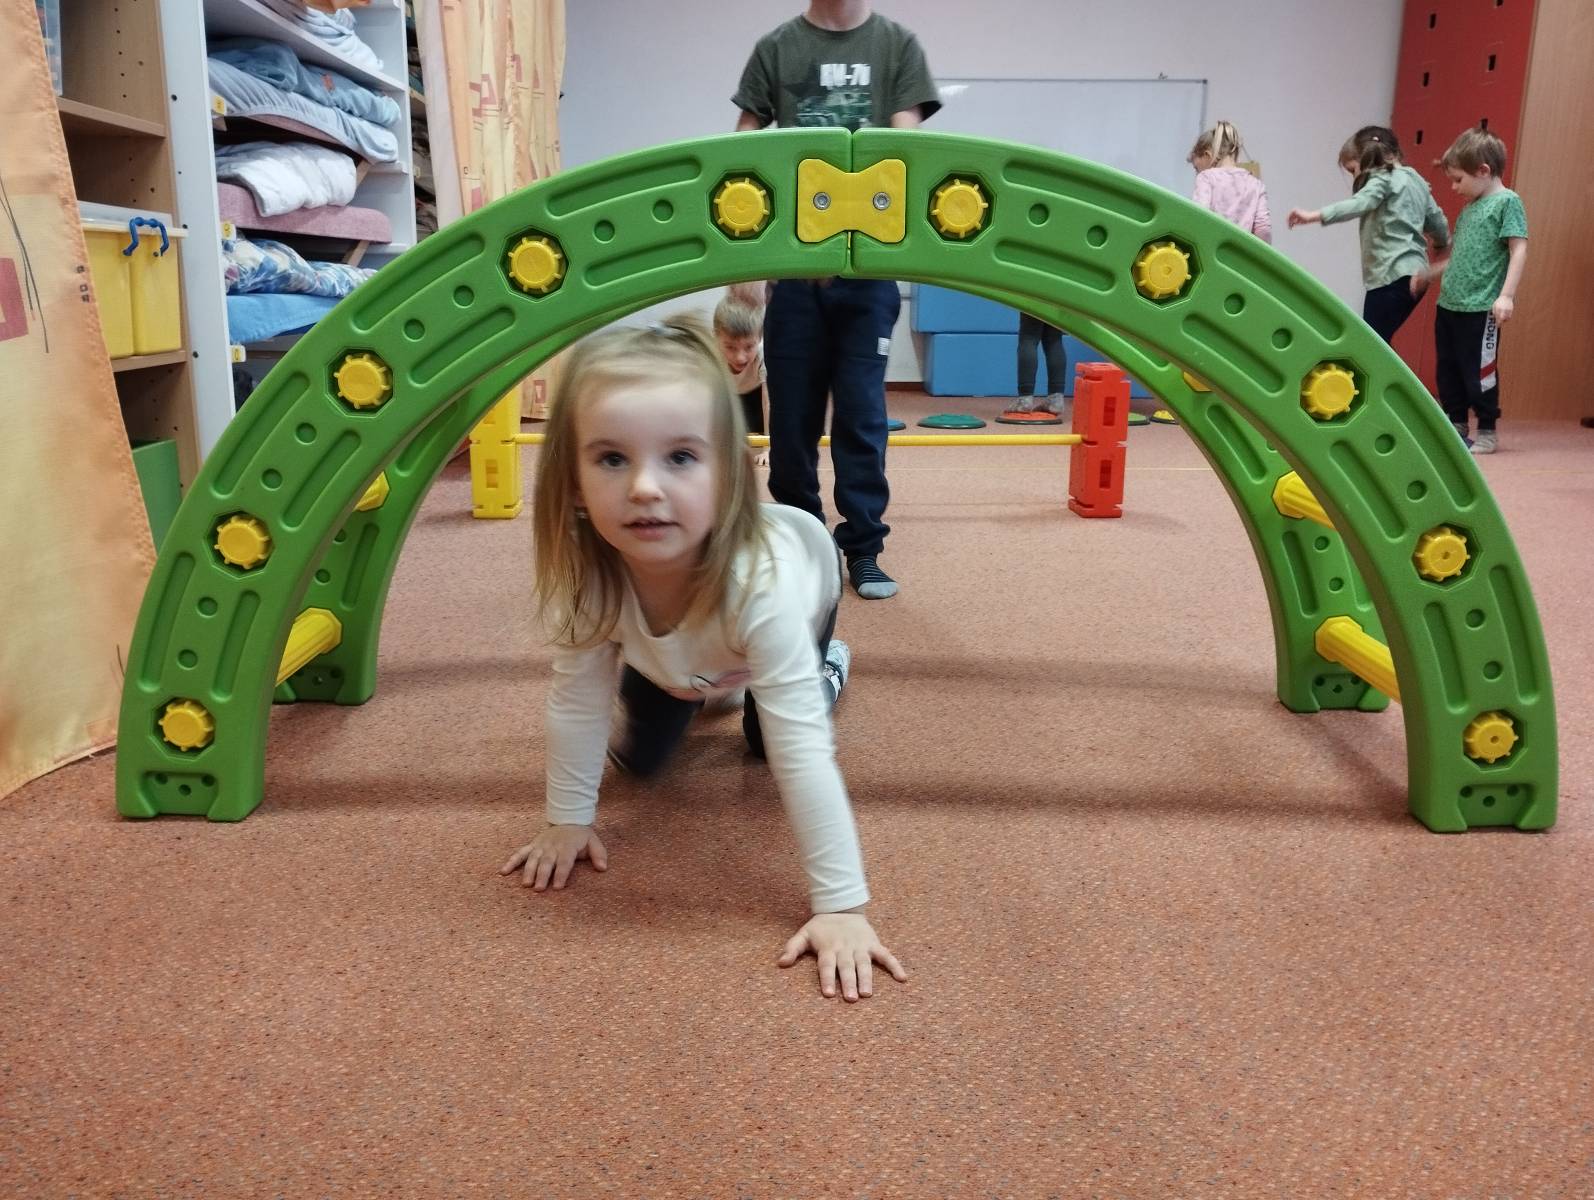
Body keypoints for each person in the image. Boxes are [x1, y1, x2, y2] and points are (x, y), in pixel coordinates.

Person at [500, 314, 906, 1002]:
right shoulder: (590, 580)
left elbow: (804, 754)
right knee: (642, 758)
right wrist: (568, 818)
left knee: (768, 738)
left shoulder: (765, 591)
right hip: (686, 651)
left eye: (681, 458)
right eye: (611, 459)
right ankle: (709, 677)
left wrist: (841, 905)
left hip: (800, 588)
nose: (644, 488)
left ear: (729, 477)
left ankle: (827, 667)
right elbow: (576, 702)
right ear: (570, 482)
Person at [733, 1, 940, 600]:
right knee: (791, 422)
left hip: (868, 271)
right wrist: (744, 260)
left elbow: (906, 150)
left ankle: (864, 549)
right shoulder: (778, 47)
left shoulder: (896, 45)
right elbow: (742, 150)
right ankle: (802, 547)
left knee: (861, 416)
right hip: (795, 271)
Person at [1286, 125, 1450, 344]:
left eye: (1352, 170)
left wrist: (1314, 215)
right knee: (1379, 341)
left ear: (1368, 158)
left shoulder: (1382, 179)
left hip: (1389, 276)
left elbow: (1359, 203)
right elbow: (1437, 221)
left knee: (1369, 345)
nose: (1354, 176)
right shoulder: (1416, 181)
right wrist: (1442, 243)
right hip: (1415, 276)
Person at [1421, 127, 1528, 455]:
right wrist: (1433, 272)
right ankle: (1456, 422)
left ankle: (1486, 429)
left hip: (1481, 308)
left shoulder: (1507, 203)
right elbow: (1463, 255)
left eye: (1458, 180)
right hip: (1450, 304)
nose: (1454, 188)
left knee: (1479, 372)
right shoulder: (1470, 208)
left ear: (1483, 170)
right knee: (1448, 368)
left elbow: (1518, 249)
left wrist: (1506, 295)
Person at [1190, 120, 1272, 243]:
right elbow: (1263, 230)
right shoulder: (1256, 185)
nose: (1197, 173)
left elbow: (1199, 216)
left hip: (1212, 250)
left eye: (1197, 168)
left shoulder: (1206, 177)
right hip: (1241, 253)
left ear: (1207, 155)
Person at [713, 295, 769, 467]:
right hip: (731, 396)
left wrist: (768, 447)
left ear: (760, 337)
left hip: (757, 396)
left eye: (749, 347)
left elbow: (768, 403)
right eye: (730, 347)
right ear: (716, 337)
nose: (740, 357)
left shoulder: (763, 354)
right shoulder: (711, 354)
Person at [1009, 314, 1067, 415]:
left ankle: (1024, 400)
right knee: (1055, 340)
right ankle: (1056, 400)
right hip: (1059, 305)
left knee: (1028, 337)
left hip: (1038, 303)